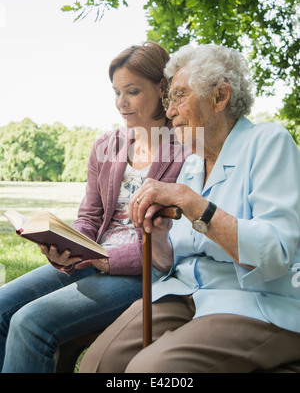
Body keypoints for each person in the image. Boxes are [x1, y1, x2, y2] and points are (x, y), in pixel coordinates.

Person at [79, 43, 300, 374]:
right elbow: (172, 260)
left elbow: (275, 253)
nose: (169, 112)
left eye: (179, 96)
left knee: (150, 371)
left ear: (219, 97)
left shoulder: (269, 142)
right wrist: (155, 232)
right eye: (169, 100)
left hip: (255, 301)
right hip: (185, 291)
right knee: (100, 363)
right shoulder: (194, 163)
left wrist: (193, 203)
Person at [0, 41, 187, 373]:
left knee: (30, 323)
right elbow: (90, 217)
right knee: (2, 307)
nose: (121, 103)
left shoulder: (187, 146)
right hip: (92, 258)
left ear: (162, 87)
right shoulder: (107, 144)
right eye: (116, 92)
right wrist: (66, 245)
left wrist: (105, 259)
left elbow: (177, 241)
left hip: (145, 271)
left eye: (132, 91)